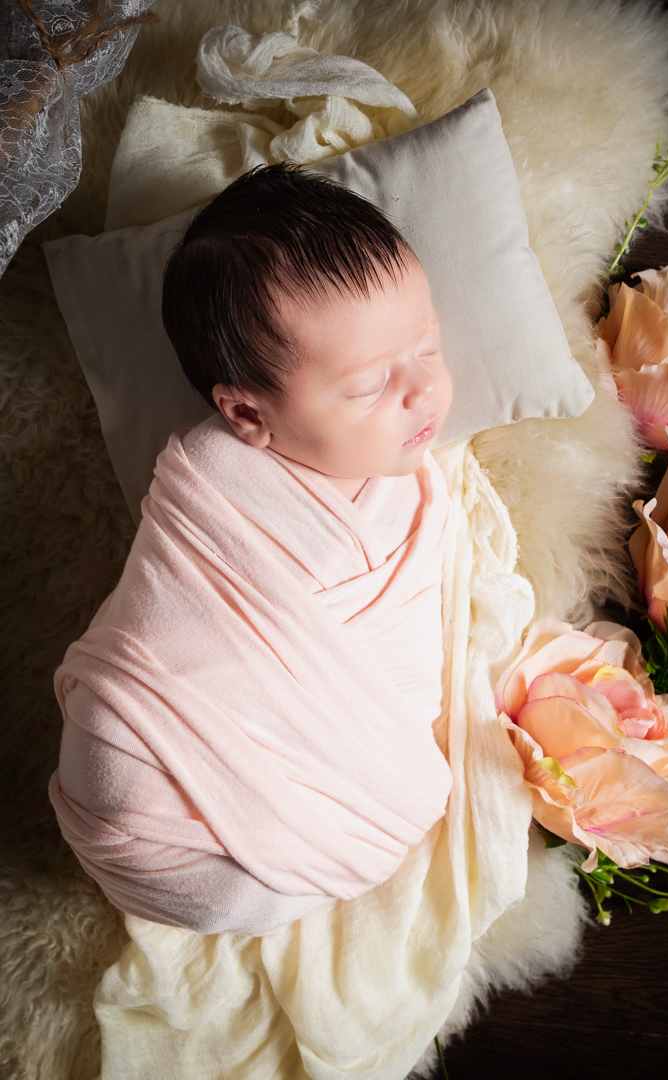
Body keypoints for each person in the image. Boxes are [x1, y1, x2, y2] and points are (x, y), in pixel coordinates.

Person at [48, 164, 456, 934]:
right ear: (245, 412)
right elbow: (175, 608)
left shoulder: (404, 483)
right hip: (138, 750)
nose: (421, 392)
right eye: (369, 386)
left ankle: (299, 847)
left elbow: (395, 657)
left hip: (283, 792)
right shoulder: (212, 484)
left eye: (428, 348)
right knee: (122, 762)